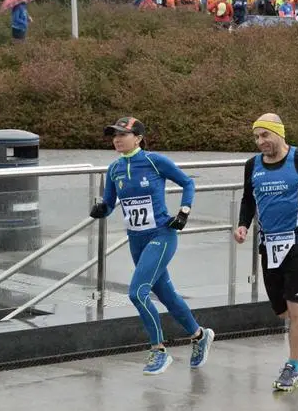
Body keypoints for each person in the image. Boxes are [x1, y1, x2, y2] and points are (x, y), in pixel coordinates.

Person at [90, 117, 214, 376]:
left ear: (138, 137)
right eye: (114, 135)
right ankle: (199, 335)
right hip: (136, 240)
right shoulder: (113, 169)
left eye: (123, 134)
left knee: (137, 293)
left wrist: (184, 212)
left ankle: (158, 350)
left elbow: (187, 183)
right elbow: (110, 203)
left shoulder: (154, 161)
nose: (116, 139)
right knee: (166, 295)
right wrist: (102, 209)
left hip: (162, 235)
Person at [235, 114, 298, 391]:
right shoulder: (252, 165)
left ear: (279, 133)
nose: (261, 142)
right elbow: (248, 198)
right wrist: (243, 225)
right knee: (282, 310)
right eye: (256, 137)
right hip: (269, 244)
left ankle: (293, 366)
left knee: (294, 309)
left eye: (265, 135)